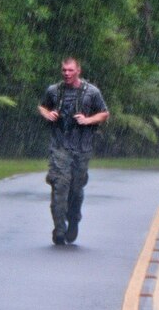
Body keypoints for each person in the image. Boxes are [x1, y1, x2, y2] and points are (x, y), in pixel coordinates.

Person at [37, 57, 109, 245]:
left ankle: (74, 219)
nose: (66, 74)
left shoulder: (91, 92)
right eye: (64, 70)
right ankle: (59, 229)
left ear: (78, 70)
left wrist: (88, 120)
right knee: (60, 187)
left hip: (81, 148)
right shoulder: (54, 91)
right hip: (59, 147)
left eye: (70, 70)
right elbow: (42, 107)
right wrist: (48, 114)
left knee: (76, 189)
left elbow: (104, 113)